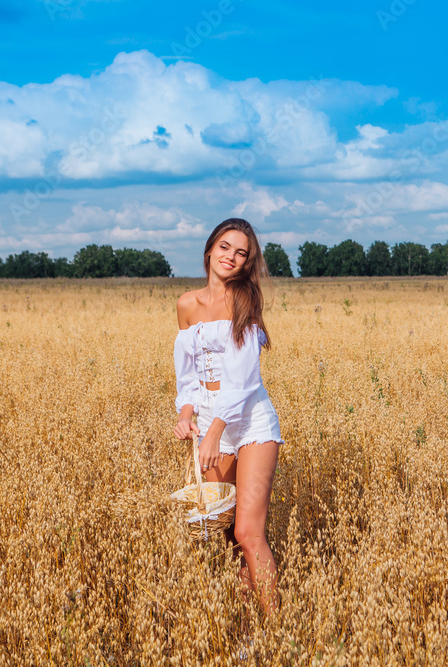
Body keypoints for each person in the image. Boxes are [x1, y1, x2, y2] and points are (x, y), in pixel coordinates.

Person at [172, 217, 282, 614]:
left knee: (248, 532)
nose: (231, 257)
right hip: (210, 424)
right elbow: (188, 376)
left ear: (248, 262)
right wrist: (187, 415)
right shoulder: (186, 304)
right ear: (209, 249)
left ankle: (280, 631)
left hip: (250, 422)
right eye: (225, 247)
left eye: (241, 253)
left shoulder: (244, 300)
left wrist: (215, 431)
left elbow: (244, 379)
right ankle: (249, 625)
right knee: (224, 534)